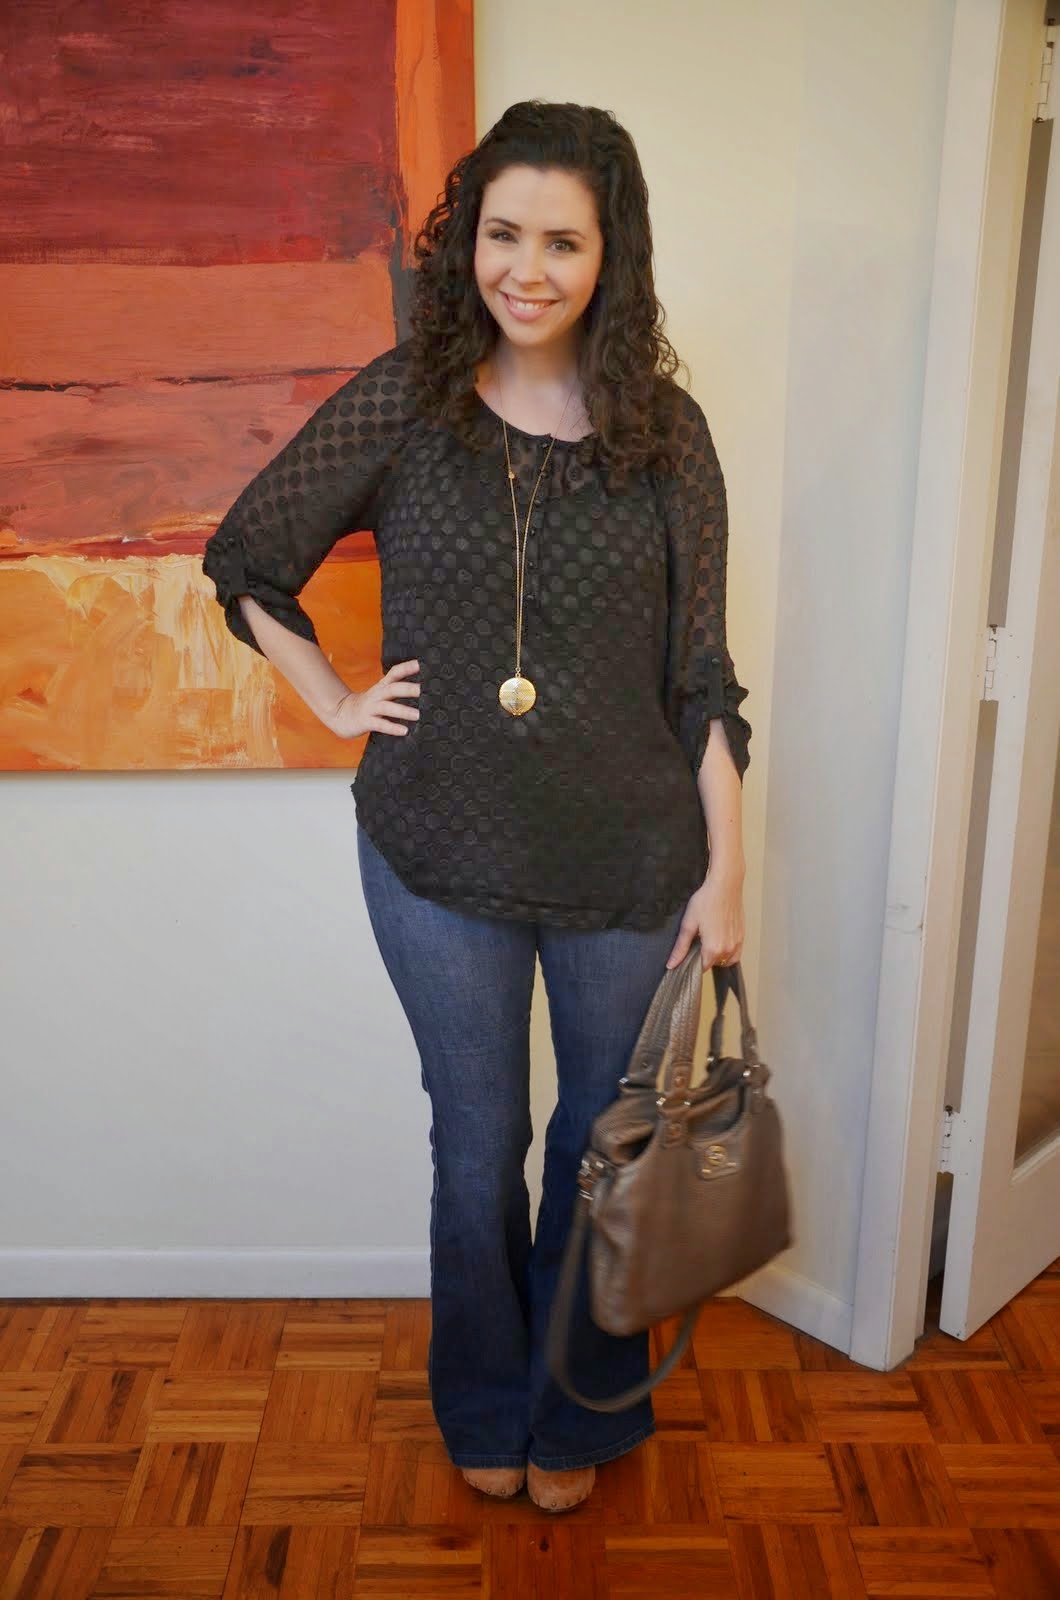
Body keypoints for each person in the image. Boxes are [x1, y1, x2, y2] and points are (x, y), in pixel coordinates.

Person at [201, 100, 752, 1514]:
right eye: (504, 235)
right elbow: (248, 556)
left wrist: (728, 871)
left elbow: (702, 680)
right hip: (437, 849)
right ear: (469, 245)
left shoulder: (669, 438)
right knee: (475, 1148)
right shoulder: (405, 404)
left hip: (631, 860)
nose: (528, 269)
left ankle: (578, 1414)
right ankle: (488, 1403)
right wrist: (334, 699)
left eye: (563, 241)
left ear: (610, 256)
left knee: (596, 1153)